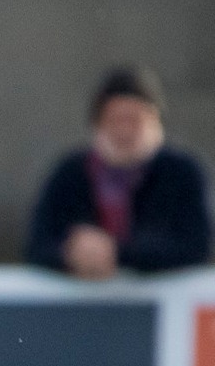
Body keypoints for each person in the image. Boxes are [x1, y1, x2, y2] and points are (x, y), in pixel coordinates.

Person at [25, 65, 212, 279]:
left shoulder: (182, 174)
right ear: (97, 124)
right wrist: (71, 253)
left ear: (155, 122)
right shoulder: (70, 173)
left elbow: (196, 245)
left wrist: (118, 253)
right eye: (115, 120)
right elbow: (37, 245)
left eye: (134, 120)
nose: (124, 132)